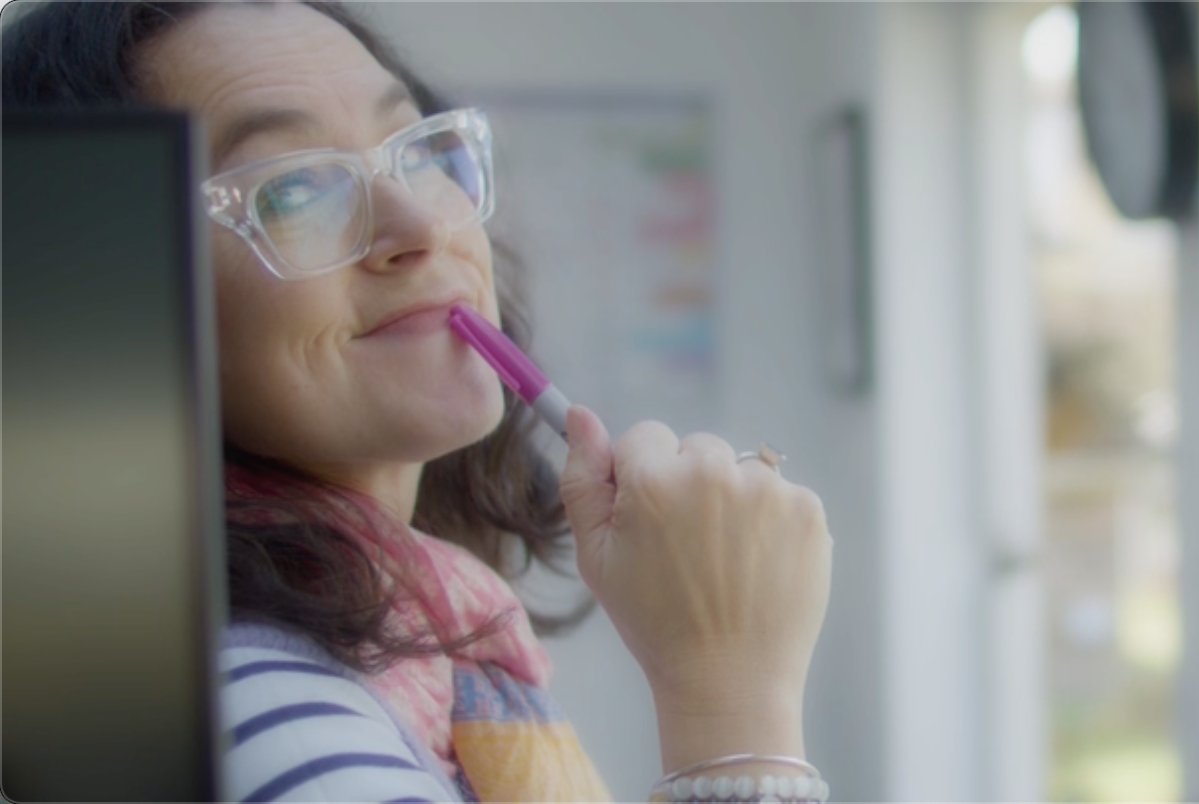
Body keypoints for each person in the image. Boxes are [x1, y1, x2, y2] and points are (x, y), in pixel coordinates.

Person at [2, 2, 833, 801]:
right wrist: (732, 699)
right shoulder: (269, 711)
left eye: (417, 152)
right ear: (120, 304)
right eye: (295, 188)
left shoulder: (422, 658)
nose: (422, 226)